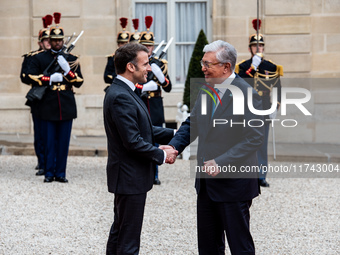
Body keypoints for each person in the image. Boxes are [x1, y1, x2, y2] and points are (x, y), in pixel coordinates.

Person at [166, 40, 264, 254]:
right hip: (206, 185)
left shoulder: (247, 94)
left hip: (234, 184)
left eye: (208, 64)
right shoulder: (206, 89)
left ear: (226, 67)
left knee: (240, 246)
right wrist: (174, 147)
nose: (203, 68)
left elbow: (254, 138)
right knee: (209, 247)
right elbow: (193, 123)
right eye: (203, 62)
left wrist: (221, 162)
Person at [103, 43, 177, 255]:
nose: (149, 68)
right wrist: (162, 154)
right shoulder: (121, 96)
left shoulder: (124, 91)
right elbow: (133, 141)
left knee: (120, 232)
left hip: (129, 175)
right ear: (130, 67)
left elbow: (143, 127)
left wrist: (177, 134)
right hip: (129, 175)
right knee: (128, 239)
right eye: (145, 64)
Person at [27, 12, 84, 183]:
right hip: (47, 103)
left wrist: (68, 71)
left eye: (60, 40)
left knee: (63, 143)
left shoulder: (72, 59)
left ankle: (61, 173)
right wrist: (49, 79)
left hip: (65, 103)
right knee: (49, 141)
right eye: (54, 40)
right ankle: (49, 173)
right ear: (49, 40)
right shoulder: (40, 58)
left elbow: (80, 81)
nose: (58, 43)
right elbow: (30, 76)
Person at [236, 19, 283, 187]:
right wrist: (252, 68)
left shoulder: (271, 66)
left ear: (264, 48)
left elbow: (277, 88)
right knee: (246, 140)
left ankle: (261, 174)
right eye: (255, 46)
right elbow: (239, 84)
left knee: (262, 143)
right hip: (247, 108)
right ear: (250, 48)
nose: (258, 49)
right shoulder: (243, 67)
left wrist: (275, 107)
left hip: (264, 107)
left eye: (261, 46)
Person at [139, 16, 172, 185]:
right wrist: (143, 87)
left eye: (150, 45)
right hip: (141, 103)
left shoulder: (160, 63)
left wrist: (160, 76)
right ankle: (143, 172)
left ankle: (155, 173)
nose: (148, 48)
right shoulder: (136, 63)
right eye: (144, 46)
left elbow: (168, 87)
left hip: (155, 105)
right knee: (142, 139)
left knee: (156, 139)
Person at [20, 14, 52, 176]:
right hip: (39, 99)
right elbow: (24, 76)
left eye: (50, 40)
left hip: (54, 98)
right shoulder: (31, 57)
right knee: (40, 132)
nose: (48, 42)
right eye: (45, 40)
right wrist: (43, 79)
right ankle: (42, 161)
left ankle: (52, 162)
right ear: (40, 42)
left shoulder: (59, 57)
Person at [103, 17, 130, 90]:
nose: (123, 45)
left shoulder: (132, 58)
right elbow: (106, 77)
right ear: (118, 44)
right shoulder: (112, 58)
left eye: (125, 43)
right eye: (121, 43)